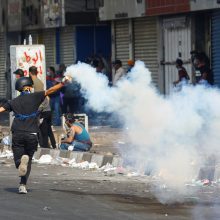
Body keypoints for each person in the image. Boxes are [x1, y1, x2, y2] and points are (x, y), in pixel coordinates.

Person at [0, 75, 71, 194]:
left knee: (19, 160)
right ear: (28, 87)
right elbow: (51, 90)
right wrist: (63, 83)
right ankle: (22, 185)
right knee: (28, 160)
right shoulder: (35, 96)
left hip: (17, 133)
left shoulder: (13, 102)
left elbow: (1, 109)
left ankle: (19, 162)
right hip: (32, 133)